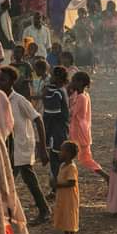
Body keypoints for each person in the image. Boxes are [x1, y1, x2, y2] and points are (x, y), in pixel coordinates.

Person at [0, 66, 51, 224]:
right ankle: (42, 210)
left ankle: (42, 211)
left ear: (12, 82)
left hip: (21, 145)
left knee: (14, 179)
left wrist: (42, 147)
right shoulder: (0, 99)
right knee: (21, 179)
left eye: (3, 80)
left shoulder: (19, 100)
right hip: (8, 146)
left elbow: (38, 119)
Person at [69, 71, 109, 182]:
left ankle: (106, 176)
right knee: (84, 158)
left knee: (85, 158)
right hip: (79, 131)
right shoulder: (81, 95)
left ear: (81, 82)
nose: (72, 83)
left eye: (74, 81)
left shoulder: (82, 97)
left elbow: (72, 112)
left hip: (79, 133)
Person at [43, 66, 70, 194]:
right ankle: (57, 186)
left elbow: (50, 114)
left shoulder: (56, 93)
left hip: (56, 131)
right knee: (57, 159)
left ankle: (57, 187)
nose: (50, 78)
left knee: (56, 159)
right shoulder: (60, 90)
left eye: (52, 75)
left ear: (57, 78)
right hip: (60, 130)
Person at [52, 140, 79, 234]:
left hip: (70, 198)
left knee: (70, 217)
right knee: (64, 216)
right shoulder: (63, 165)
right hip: (63, 197)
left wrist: (57, 185)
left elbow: (72, 183)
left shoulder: (71, 167)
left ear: (68, 154)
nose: (59, 153)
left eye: (61, 151)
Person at [100, 1, 117, 69]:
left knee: (115, 50)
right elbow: (101, 22)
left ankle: (114, 66)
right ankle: (109, 67)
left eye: (112, 6)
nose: (111, 8)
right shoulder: (104, 13)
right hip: (108, 34)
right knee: (108, 51)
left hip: (114, 34)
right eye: (110, 6)